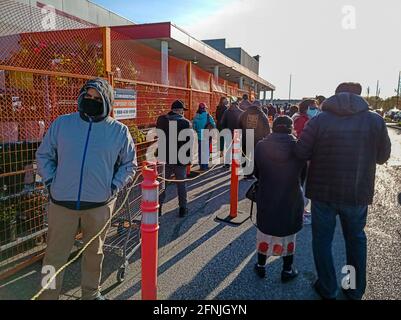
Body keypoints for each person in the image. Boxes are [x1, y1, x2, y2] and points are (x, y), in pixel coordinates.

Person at [36, 78, 137, 300]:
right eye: (87, 96)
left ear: (108, 103)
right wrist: (51, 182)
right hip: (61, 203)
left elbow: (130, 164)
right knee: (53, 256)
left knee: (94, 253)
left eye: (97, 98)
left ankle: (91, 293)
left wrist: (113, 187)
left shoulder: (119, 131)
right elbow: (44, 155)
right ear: (80, 97)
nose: (91, 101)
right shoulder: (62, 124)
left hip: (99, 205)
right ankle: (47, 295)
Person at [295, 82, 391, 300]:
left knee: (322, 240)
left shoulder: (319, 119)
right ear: (359, 96)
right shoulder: (375, 120)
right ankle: (353, 288)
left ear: (335, 95)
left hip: (323, 192)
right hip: (357, 192)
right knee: (355, 240)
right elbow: (383, 157)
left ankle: (327, 288)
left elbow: (301, 152)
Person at [254, 116, 305, 281]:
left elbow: (256, 171)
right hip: (291, 195)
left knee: (265, 232)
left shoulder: (261, 146)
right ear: (291, 128)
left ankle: (261, 266)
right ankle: (287, 270)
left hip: (267, 193)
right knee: (288, 234)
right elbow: (303, 174)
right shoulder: (298, 147)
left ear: (273, 127)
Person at [157, 100, 192, 218]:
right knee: (181, 184)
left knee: (162, 185)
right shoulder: (186, 123)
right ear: (181, 110)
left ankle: (158, 208)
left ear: (172, 109)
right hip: (180, 159)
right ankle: (183, 208)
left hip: (165, 157)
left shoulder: (161, 120)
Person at [239, 100, 270, 179]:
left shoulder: (244, 114)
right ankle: (255, 173)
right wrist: (267, 139)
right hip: (258, 139)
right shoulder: (262, 114)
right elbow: (267, 129)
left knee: (245, 155)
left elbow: (238, 124)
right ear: (259, 106)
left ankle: (247, 173)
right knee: (256, 156)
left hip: (246, 137)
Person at [192, 102, 216, 171]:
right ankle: (205, 166)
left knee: (200, 150)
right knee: (206, 151)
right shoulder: (208, 116)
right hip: (206, 134)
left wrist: (198, 130)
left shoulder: (196, 116)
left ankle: (201, 165)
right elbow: (213, 125)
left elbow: (194, 127)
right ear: (205, 108)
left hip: (200, 135)